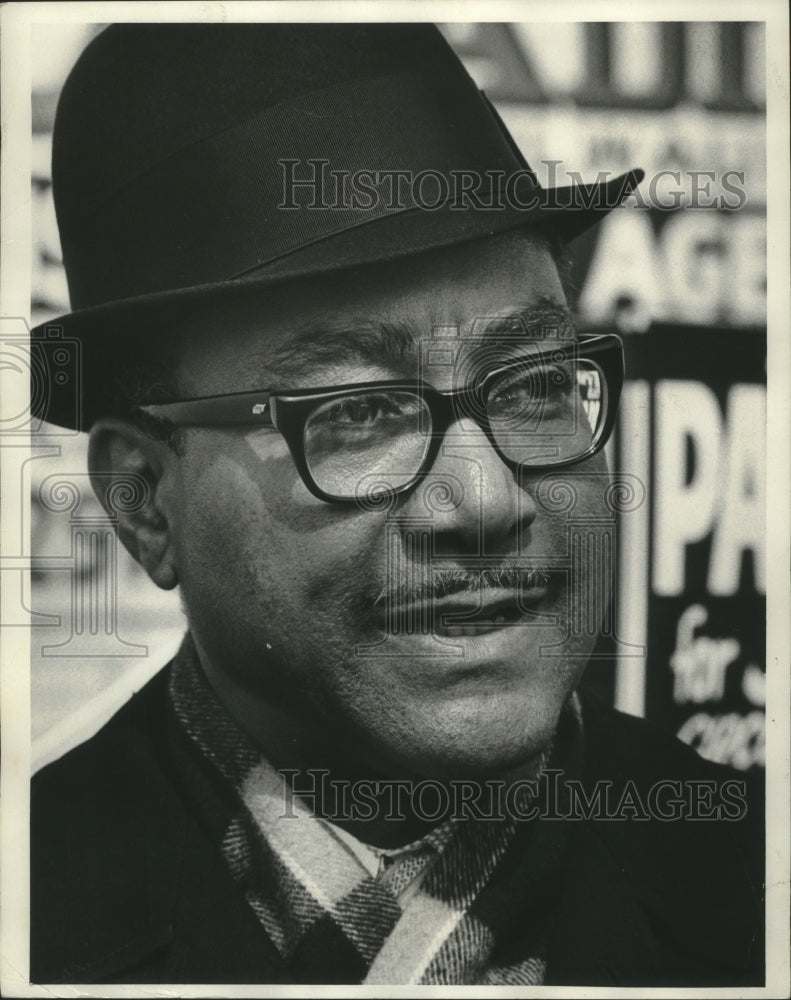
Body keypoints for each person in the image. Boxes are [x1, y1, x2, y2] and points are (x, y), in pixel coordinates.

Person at [29, 22, 763, 987]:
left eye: (536, 384)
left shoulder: (752, 886)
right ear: (144, 503)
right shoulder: (34, 909)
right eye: (360, 412)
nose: (485, 499)